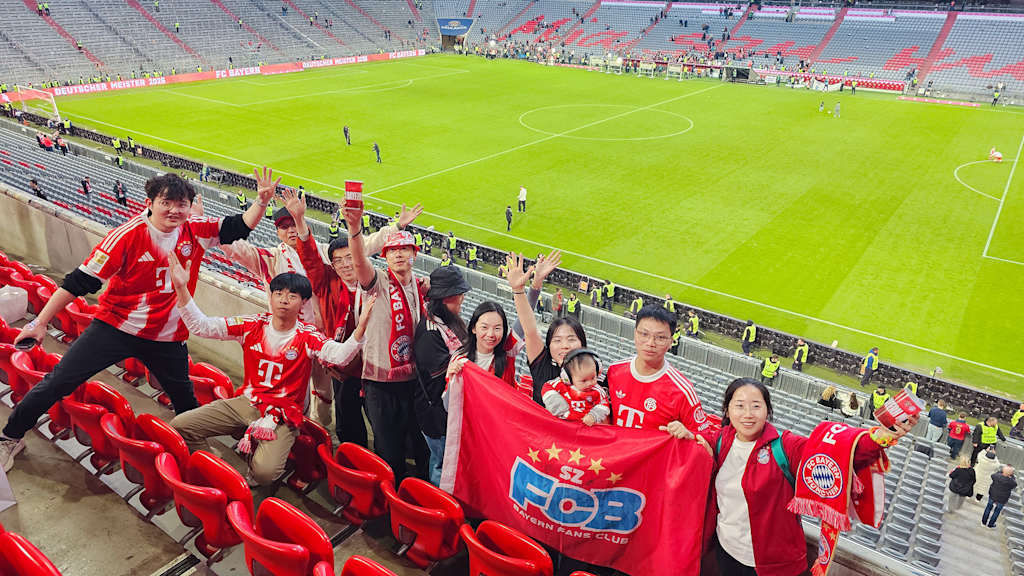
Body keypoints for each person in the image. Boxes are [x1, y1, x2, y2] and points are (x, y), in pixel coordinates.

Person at [0, 169, 276, 471]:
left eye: (181, 204)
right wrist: (39, 322)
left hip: (167, 337)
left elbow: (238, 226)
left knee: (185, 400)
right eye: (166, 203)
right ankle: (10, 436)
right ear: (149, 203)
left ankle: (200, 457)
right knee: (58, 381)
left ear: (189, 206)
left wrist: (261, 202)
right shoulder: (126, 236)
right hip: (116, 327)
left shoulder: (195, 229)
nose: (174, 210)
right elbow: (78, 282)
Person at [169, 264, 374, 485]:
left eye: (292, 296)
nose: (284, 300)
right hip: (247, 402)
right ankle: (214, 466)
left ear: (304, 302)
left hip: (283, 414)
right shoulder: (252, 324)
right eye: (278, 293)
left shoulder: (307, 336)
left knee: (264, 474)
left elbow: (340, 356)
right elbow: (202, 326)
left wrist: (361, 328)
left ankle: (250, 468)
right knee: (180, 426)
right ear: (271, 296)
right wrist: (181, 287)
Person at [707, 377, 914, 576]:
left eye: (756, 406)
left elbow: (837, 454)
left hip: (776, 565)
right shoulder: (719, 440)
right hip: (726, 552)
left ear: (768, 410)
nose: (748, 414)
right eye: (739, 406)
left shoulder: (785, 447)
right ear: (727, 409)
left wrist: (882, 436)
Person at [282, 187, 399, 447]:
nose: (346, 265)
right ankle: (352, 460)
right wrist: (300, 220)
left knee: (383, 424)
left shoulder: (377, 281)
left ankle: (385, 461)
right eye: (339, 261)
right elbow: (310, 258)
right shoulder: (327, 283)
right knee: (348, 423)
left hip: (376, 367)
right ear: (332, 265)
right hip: (344, 369)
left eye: (350, 258)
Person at [343, 200, 429, 480]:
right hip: (380, 383)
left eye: (405, 249)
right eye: (392, 250)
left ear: (414, 254)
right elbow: (358, 259)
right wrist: (354, 228)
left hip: (412, 381)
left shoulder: (419, 286)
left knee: (416, 447)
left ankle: (413, 494)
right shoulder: (377, 281)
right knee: (389, 451)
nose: (399, 254)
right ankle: (390, 498)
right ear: (385, 256)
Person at [608, 305, 714, 443]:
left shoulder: (682, 391)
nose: (650, 343)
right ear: (635, 333)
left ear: (671, 342)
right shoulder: (614, 370)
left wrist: (689, 435)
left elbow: (706, 438)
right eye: (644, 334)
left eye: (660, 337)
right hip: (615, 453)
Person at [413, 267, 470, 486]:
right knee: (441, 463)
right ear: (444, 299)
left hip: (447, 412)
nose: (462, 300)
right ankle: (437, 500)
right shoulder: (430, 332)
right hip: (437, 416)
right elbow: (441, 379)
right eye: (458, 296)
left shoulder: (449, 321)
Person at [508, 251, 588, 406]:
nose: (565, 345)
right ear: (549, 346)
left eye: (571, 339)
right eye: (557, 340)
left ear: (582, 343)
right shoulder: (543, 368)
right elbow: (530, 330)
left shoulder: (594, 376)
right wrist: (524, 287)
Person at [445, 300, 523, 388]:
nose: (490, 334)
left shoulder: (507, 354)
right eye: (484, 327)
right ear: (474, 328)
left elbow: (524, 320)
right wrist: (452, 378)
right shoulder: (460, 359)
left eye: (497, 328)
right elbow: (452, 394)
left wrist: (524, 293)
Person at [541, 348, 609, 425]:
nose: (590, 383)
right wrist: (558, 405)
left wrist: (594, 416)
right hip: (561, 422)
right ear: (568, 378)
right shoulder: (560, 384)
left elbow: (604, 404)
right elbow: (547, 387)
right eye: (584, 380)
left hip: (584, 425)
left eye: (593, 377)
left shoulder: (597, 391)